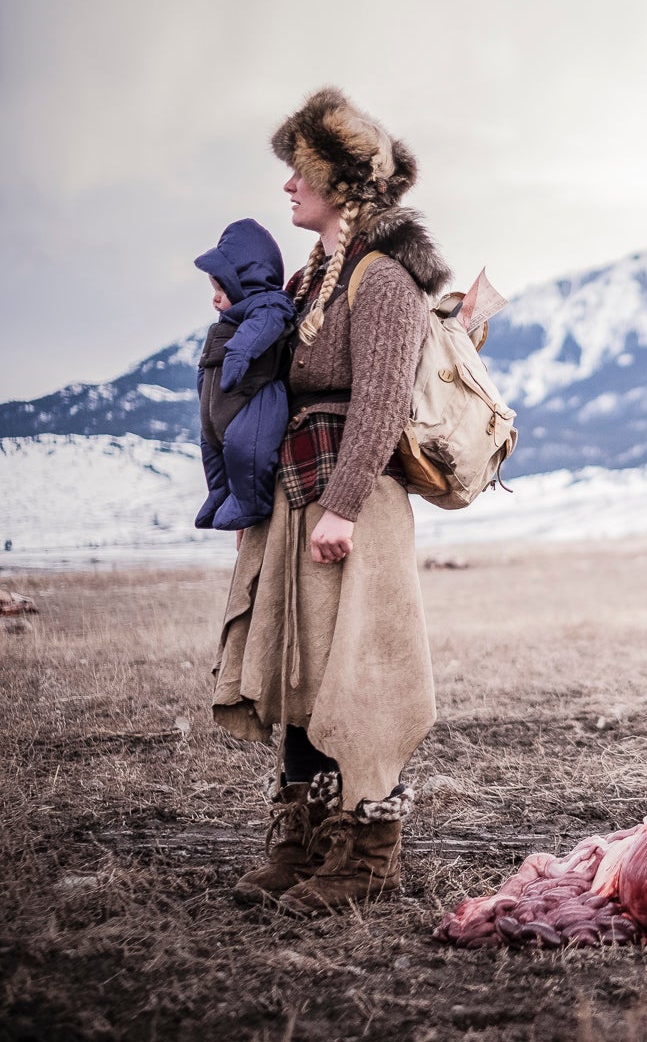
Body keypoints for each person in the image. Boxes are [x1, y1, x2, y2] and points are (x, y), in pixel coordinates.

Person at [211, 87, 451, 916]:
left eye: (300, 172)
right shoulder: (320, 274)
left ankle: (368, 852)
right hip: (301, 493)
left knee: (365, 676)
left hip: (354, 500)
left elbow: (381, 401)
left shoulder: (381, 279)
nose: (287, 188)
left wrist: (344, 505)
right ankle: (305, 838)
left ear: (342, 182)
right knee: (309, 674)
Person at [193, 219, 295, 531]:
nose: (215, 298)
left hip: (254, 399)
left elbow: (257, 332)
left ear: (245, 283)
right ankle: (220, 492)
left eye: (221, 288)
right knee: (210, 443)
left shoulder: (268, 304)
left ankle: (251, 502)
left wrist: (237, 357)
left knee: (244, 448)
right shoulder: (228, 321)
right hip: (220, 406)